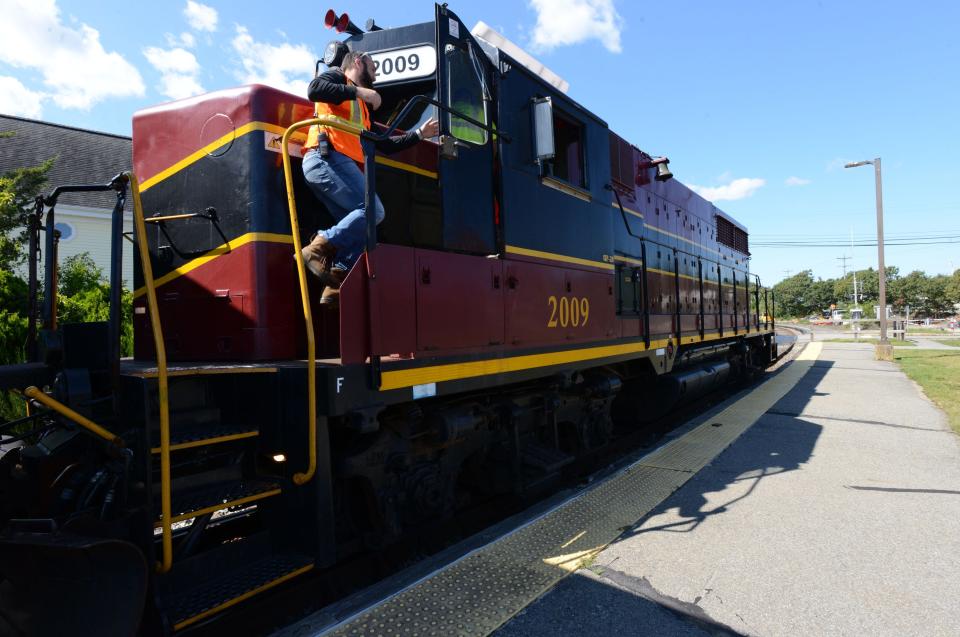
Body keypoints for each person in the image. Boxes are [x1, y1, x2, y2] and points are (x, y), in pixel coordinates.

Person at [300, 50, 439, 304]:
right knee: (374, 211)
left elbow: (384, 143)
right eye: (373, 65)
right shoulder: (338, 78)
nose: (375, 71)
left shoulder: (361, 110)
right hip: (326, 158)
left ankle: (336, 277)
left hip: (332, 165)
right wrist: (360, 92)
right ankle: (317, 248)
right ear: (357, 61)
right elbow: (314, 89)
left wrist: (419, 133)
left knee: (362, 225)